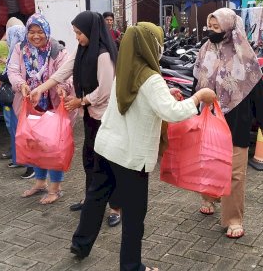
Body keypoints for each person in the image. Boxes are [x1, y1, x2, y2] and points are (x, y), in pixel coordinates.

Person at [68, 21, 217, 271]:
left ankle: (80, 244)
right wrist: (198, 97)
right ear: (151, 45)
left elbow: (143, 100)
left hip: (107, 148)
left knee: (96, 197)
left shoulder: (126, 70)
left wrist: (164, 92)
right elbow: (172, 112)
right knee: (135, 214)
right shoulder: (150, 77)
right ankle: (132, 265)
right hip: (130, 156)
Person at [30, 11, 121, 226]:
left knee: (108, 163)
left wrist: (80, 101)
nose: (77, 37)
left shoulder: (103, 54)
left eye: (80, 33)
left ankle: (116, 207)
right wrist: (40, 89)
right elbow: (63, 71)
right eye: (75, 33)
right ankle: (90, 199)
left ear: (91, 30)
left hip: (105, 117)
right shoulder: (82, 50)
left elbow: (105, 91)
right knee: (89, 159)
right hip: (90, 116)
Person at [193, 8, 263, 239]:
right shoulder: (204, 50)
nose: (211, 31)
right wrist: (189, 109)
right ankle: (208, 197)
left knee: (235, 172)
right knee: (208, 163)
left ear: (229, 27)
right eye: (210, 27)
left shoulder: (244, 55)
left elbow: (257, 91)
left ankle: (233, 219)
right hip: (209, 117)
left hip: (237, 120)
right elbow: (195, 82)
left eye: (217, 27)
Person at [7, 13, 74, 204]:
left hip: (52, 104)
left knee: (53, 146)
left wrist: (64, 87)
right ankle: (40, 182)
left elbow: (68, 73)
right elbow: (12, 71)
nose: (36, 36)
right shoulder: (20, 49)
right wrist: (21, 85)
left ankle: (55, 188)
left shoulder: (57, 50)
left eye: (40, 32)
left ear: (47, 31)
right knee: (34, 144)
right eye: (31, 32)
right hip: (29, 104)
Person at [0, 17, 35, 178]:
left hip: (22, 99)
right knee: (17, 131)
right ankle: (21, 160)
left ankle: (31, 166)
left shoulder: (24, 53)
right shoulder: (18, 52)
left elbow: (15, 77)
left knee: (23, 132)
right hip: (16, 99)